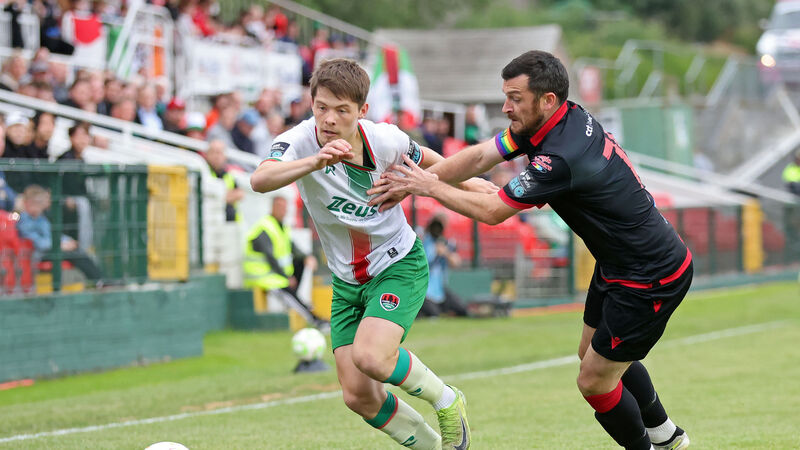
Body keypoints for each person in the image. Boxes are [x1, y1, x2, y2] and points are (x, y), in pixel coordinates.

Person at [372, 51, 693, 450]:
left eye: (515, 98)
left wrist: (427, 186)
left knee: (594, 379)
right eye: (506, 96)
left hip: (650, 275)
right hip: (621, 262)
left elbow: (492, 212)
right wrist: (413, 180)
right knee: (591, 354)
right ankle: (666, 436)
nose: (506, 107)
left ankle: (651, 446)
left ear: (547, 100)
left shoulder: (559, 157)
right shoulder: (555, 121)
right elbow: (479, 157)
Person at [250, 58, 497, 449]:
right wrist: (314, 160)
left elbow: (433, 163)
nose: (328, 119)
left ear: (362, 111)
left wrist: (471, 185)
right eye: (321, 107)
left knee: (373, 357)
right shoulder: (299, 141)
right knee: (358, 396)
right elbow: (260, 179)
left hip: (398, 264)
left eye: (341, 110)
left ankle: (448, 400)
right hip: (347, 282)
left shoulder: (384, 139)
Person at [243, 196, 327, 328]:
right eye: (280, 207)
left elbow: (293, 247)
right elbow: (270, 257)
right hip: (264, 278)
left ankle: (300, 301)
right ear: (273, 208)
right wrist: (286, 277)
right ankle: (316, 320)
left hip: (276, 277)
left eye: (285, 208)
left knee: (301, 261)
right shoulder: (264, 228)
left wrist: (307, 257)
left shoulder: (282, 227)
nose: (283, 211)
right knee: (290, 295)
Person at [16, 185, 105, 287]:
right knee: (74, 254)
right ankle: (99, 281)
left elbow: (53, 234)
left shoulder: (41, 219)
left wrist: (68, 241)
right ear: (26, 203)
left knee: (78, 252)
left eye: (40, 203)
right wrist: (60, 245)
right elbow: (37, 243)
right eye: (35, 203)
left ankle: (100, 280)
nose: (38, 206)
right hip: (39, 255)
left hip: (52, 249)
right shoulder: (24, 220)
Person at [418, 214, 468, 318]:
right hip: (424, 289)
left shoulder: (446, 243)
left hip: (440, 289)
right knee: (433, 313)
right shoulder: (422, 241)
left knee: (462, 310)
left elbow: (456, 262)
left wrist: (445, 253)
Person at [205, 139, 244, 222]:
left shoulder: (229, 175)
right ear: (207, 155)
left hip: (230, 223)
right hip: (211, 223)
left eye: (219, 152)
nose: (216, 156)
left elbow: (240, 194)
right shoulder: (204, 172)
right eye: (213, 152)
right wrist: (227, 195)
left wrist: (220, 196)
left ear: (225, 156)